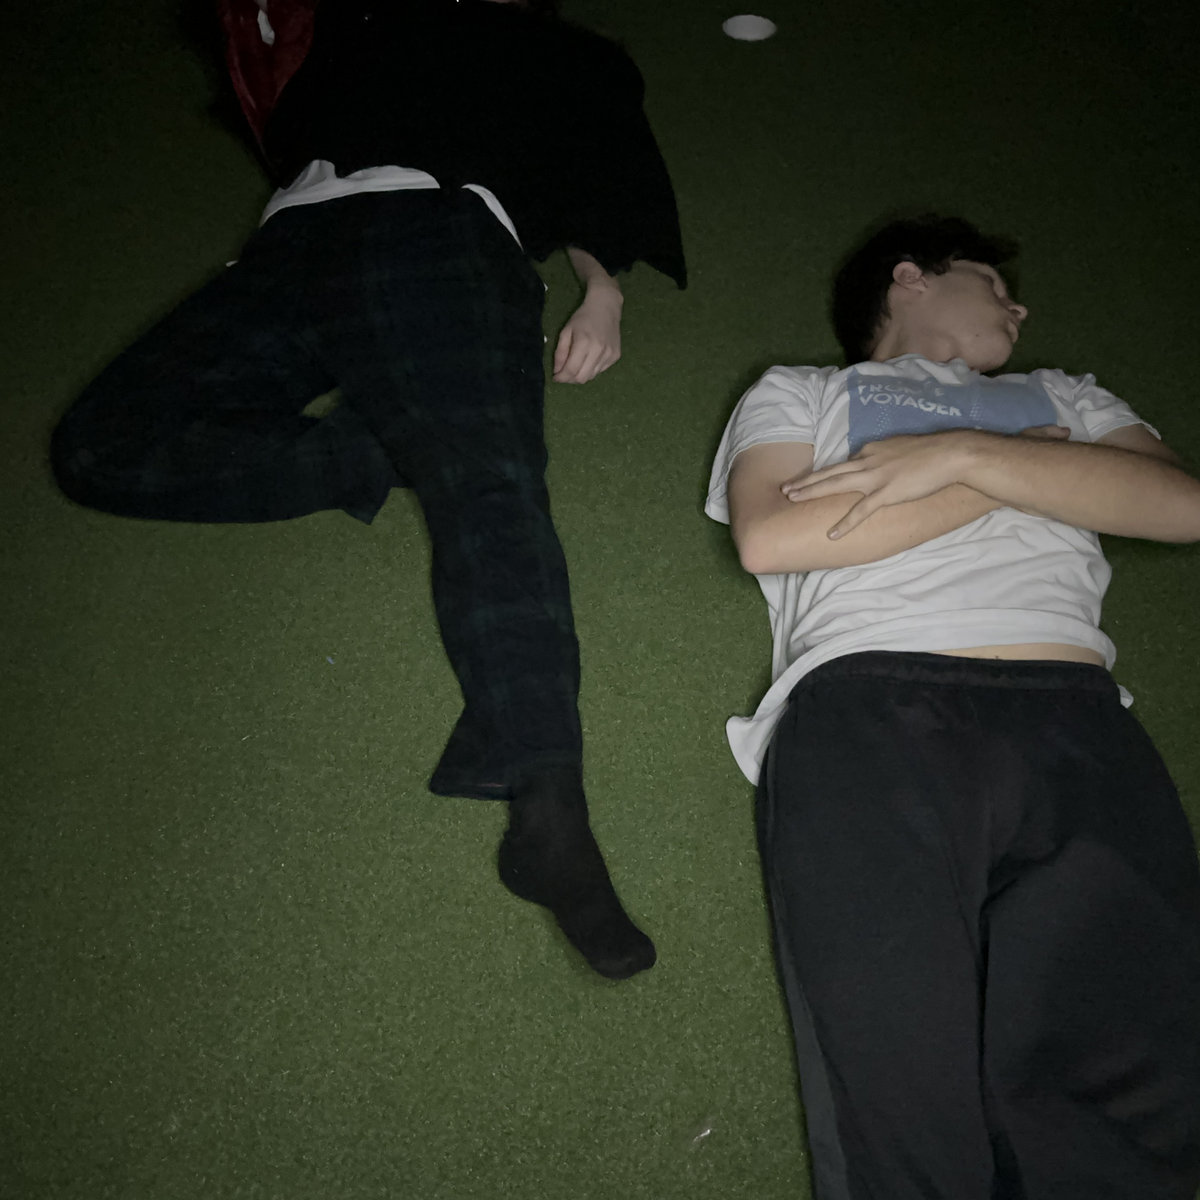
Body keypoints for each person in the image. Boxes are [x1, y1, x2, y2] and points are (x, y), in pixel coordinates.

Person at [51, 0, 686, 981]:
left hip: (443, 236)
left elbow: (599, 176)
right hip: (287, 248)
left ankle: (549, 809)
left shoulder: (570, 53)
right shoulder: (350, 20)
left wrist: (603, 290)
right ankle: (389, 444)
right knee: (97, 446)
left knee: (492, 491)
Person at [706, 214, 1200, 1197]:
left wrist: (965, 453)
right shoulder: (804, 391)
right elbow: (773, 537)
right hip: (870, 706)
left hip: (1081, 719)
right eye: (994, 283)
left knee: (1139, 1108)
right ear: (910, 278)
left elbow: (1182, 505)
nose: (1019, 308)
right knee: (902, 1111)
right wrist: (1005, 471)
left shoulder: (1069, 394)